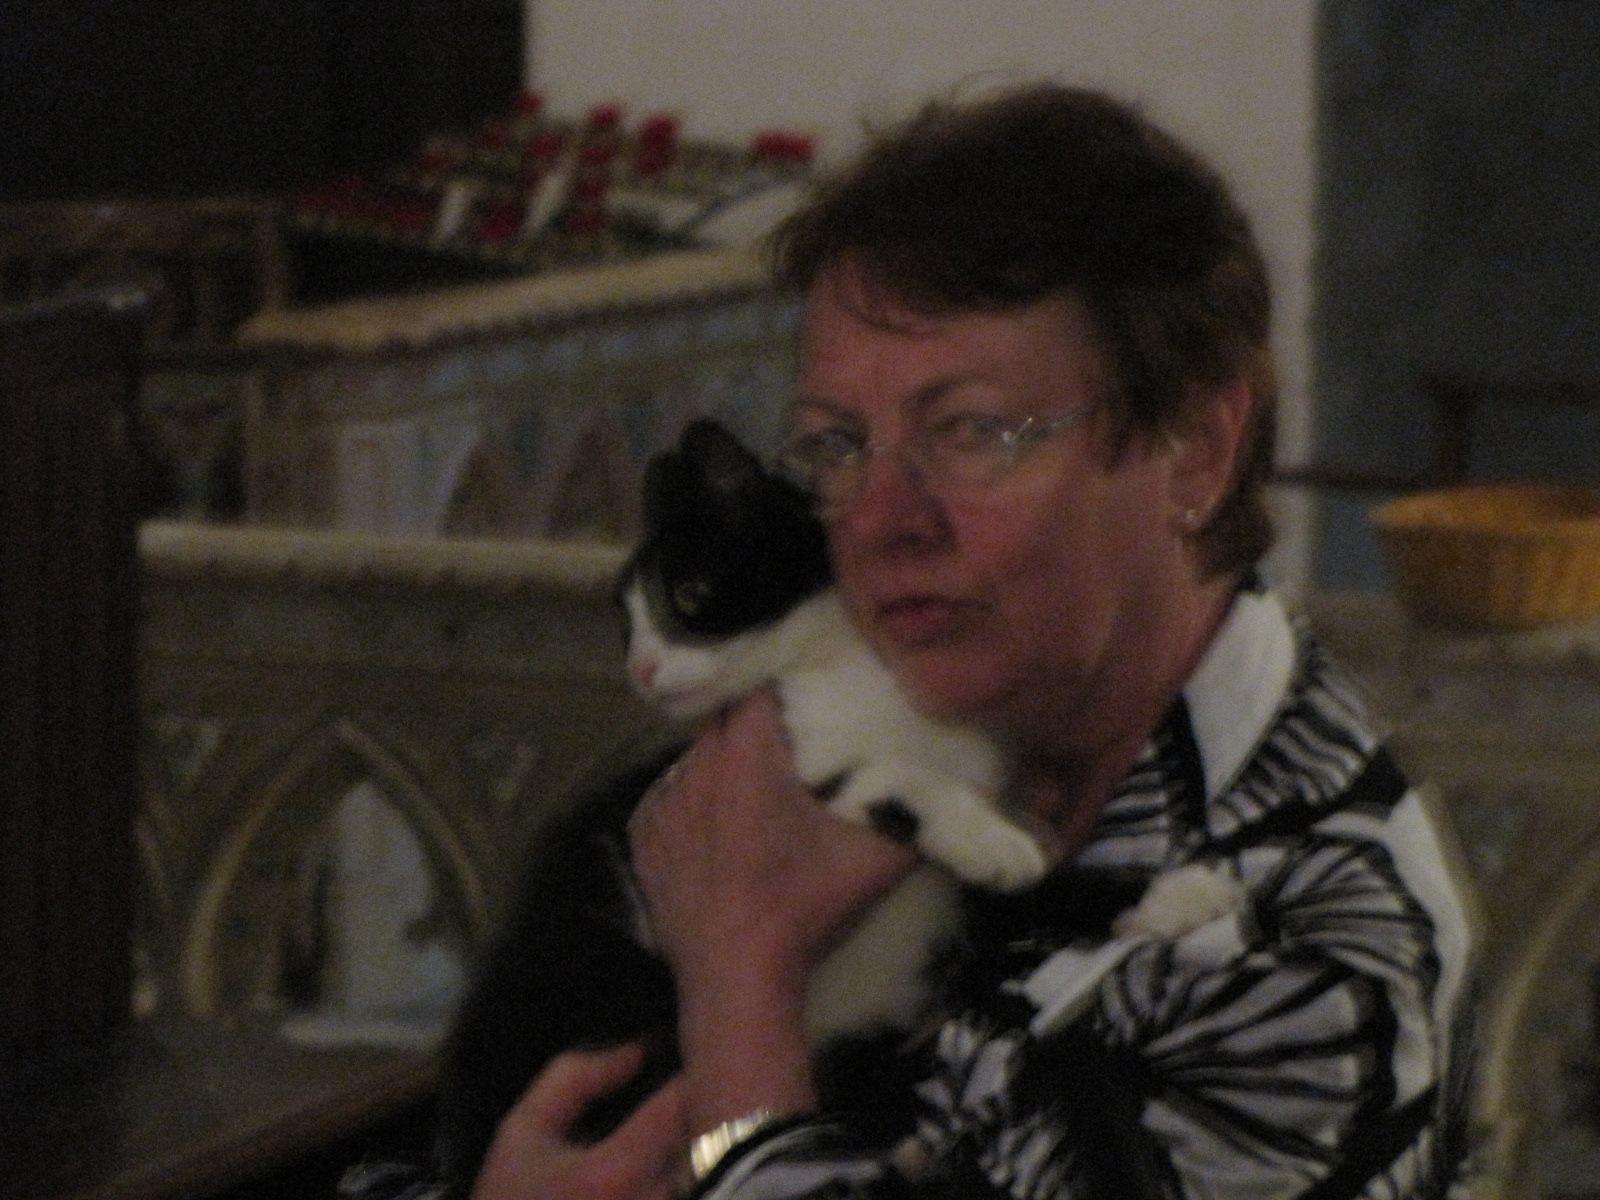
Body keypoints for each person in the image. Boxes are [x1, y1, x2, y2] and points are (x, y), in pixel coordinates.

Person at [451, 82, 1476, 1200]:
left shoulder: (1312, 956)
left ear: (1193, 448)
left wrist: (740, 972)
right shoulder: (905, 741)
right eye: (838, 444)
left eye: (972, 431)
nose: (882, 518)